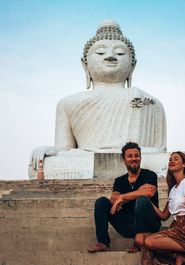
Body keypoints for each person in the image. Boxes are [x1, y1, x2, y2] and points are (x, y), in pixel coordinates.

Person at [29, 19, 166, 175]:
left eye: (120, 52)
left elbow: (159, 151)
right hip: (85, 158)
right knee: (42, 164)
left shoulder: (151, 102)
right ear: (85, 65)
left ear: (132, 66)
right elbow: (65, 148)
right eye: (100, 52)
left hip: (138, 160)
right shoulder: (68, 103)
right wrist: (52, 151)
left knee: (168, 161)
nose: (110, 56)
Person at [87, 142, 161, 253]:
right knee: (101, 202)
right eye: (130, 156)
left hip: (149, 224)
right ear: (123, 159)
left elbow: (149, 192)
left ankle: (140, 241)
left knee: (142, 200)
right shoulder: (119, 181)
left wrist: (122, 198)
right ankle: (103, 243)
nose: (134, 159)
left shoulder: (150, 175)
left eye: (136, 155)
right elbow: (113, 199)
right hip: (127, 224)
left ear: (140, 158)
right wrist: (138, 192)